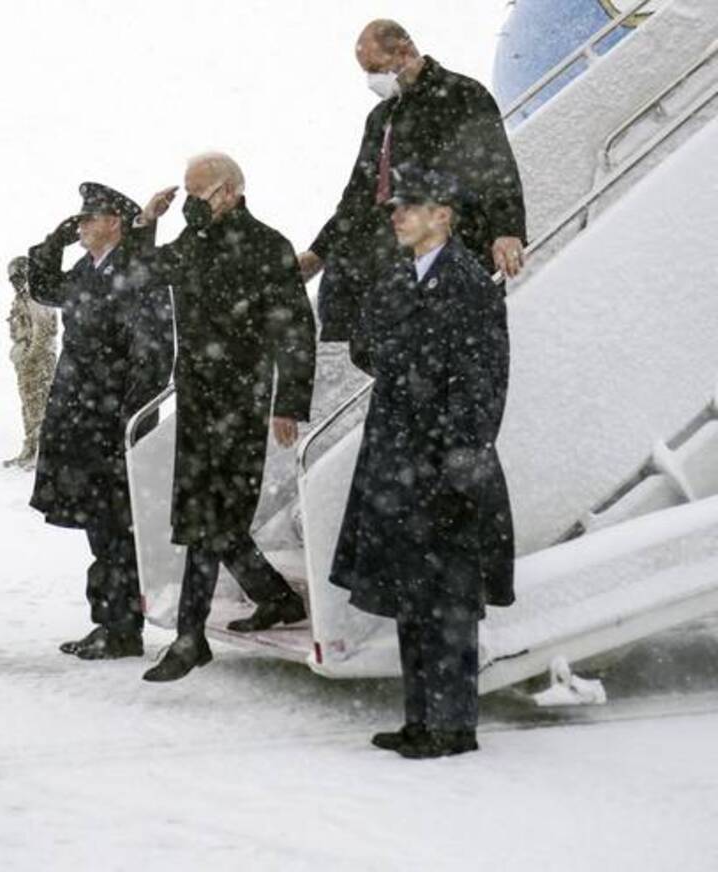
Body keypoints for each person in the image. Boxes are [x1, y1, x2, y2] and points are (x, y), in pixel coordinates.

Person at [329, 168, 515, 758]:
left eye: (410, 208)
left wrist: (462, 456)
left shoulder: (470, 285)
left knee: (451, 600)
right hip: (397, 454)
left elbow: (485, 380)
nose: (397, 216)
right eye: (396, 208)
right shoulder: (396, 278)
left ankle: (454, 726)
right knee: (413, 594)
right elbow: (364, 343)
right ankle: (419, 719)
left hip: (444, 461)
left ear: (444, 216)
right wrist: (402, 365)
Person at [137, 153, 317, 683]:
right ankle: (277, 598)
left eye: (202, 193)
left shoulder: (267, 245)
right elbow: (146, 274)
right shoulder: (192, 243)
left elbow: (294, 329)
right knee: (208, 517)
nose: (193, 203)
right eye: (188, 194)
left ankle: (190, 638)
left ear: (232, 191)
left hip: (243, 399)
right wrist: (149, 222)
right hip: (196, 397)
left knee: (213, 518)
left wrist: (288, 402)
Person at [297, 19, 526, 366]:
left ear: (403, 50)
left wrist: (507, 230)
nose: (372, 80)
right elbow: (358, 196)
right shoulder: (381, 119)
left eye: (375, 69)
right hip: (395, 252)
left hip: (452, 237)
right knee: (368, 342)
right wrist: (317, 253)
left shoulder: (461, 93)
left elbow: (495, 165)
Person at [27, 182, 174, 661]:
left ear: (114, 222)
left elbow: (152, 354)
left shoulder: (134, 272)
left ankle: (121, 627)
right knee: (99, 527)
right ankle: (107, 623)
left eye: (89, 218)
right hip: (79, 414)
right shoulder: (87, 271)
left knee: (116, 530)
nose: (82, 225)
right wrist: (56, 237)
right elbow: (42, 285)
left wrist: (129, 419)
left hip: (111, 419)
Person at [4, 255, 58, 470]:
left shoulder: (37, 296)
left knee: (40, 406)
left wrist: (30, 357)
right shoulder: (22, 298)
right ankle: (29, 450)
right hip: (27, 359)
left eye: (18, 277)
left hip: (39, 360)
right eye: (12, 279)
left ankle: (41, 454)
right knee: (29, 407)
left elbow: (43, 331)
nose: (15, 283)